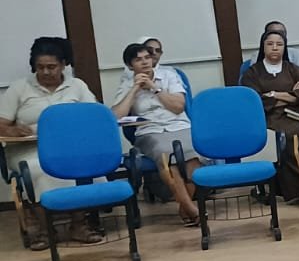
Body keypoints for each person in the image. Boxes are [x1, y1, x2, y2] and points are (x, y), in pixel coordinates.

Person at [1, 36, 100, 248]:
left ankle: (78, 224)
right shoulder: (19, 88)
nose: (45, 72)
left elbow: (93, 115)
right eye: (40, 67)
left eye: (51, 67)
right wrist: (12, 130)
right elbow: (1, 123)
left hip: (69, 147)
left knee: (79, 166)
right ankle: (46, 230)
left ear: (63, 65)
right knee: (39, 170)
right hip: (28, 148)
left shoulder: (77, 86)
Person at [241, 28, 299, 206]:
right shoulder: (252, 74)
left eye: (279, 44)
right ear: (263, 47)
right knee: (291, 136)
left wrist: (274, 94)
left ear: (285, 47)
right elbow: (256, 100)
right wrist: (290, 95)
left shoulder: (293, 69)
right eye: (270, 44)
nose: (275, 48)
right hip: (274, 116)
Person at [111, 42, 203, 225]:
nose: (145, 62)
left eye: (147, 57)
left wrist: (155, 87)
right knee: (166, 157)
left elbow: (178, 107)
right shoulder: (127, 84)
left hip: (179, 125)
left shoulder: (169, 75)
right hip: (150, 131)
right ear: (130, 65)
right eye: (138, 60)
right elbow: (116, 117)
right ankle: (193, 210)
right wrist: (134, 89)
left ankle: (184, 207)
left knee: (194, 155)